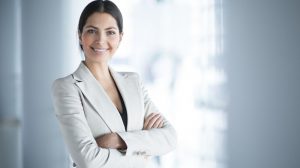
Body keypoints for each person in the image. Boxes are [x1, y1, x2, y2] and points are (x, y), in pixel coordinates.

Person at [51, 0, 177, 167]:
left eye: (110, 32)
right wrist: (142, 151)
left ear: (120, 37)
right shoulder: (67, 88)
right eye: (92, 31)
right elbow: (88, 160)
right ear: (80, 35)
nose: (101, 40)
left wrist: (118, 140)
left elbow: (170, 138)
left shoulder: (134, 82)